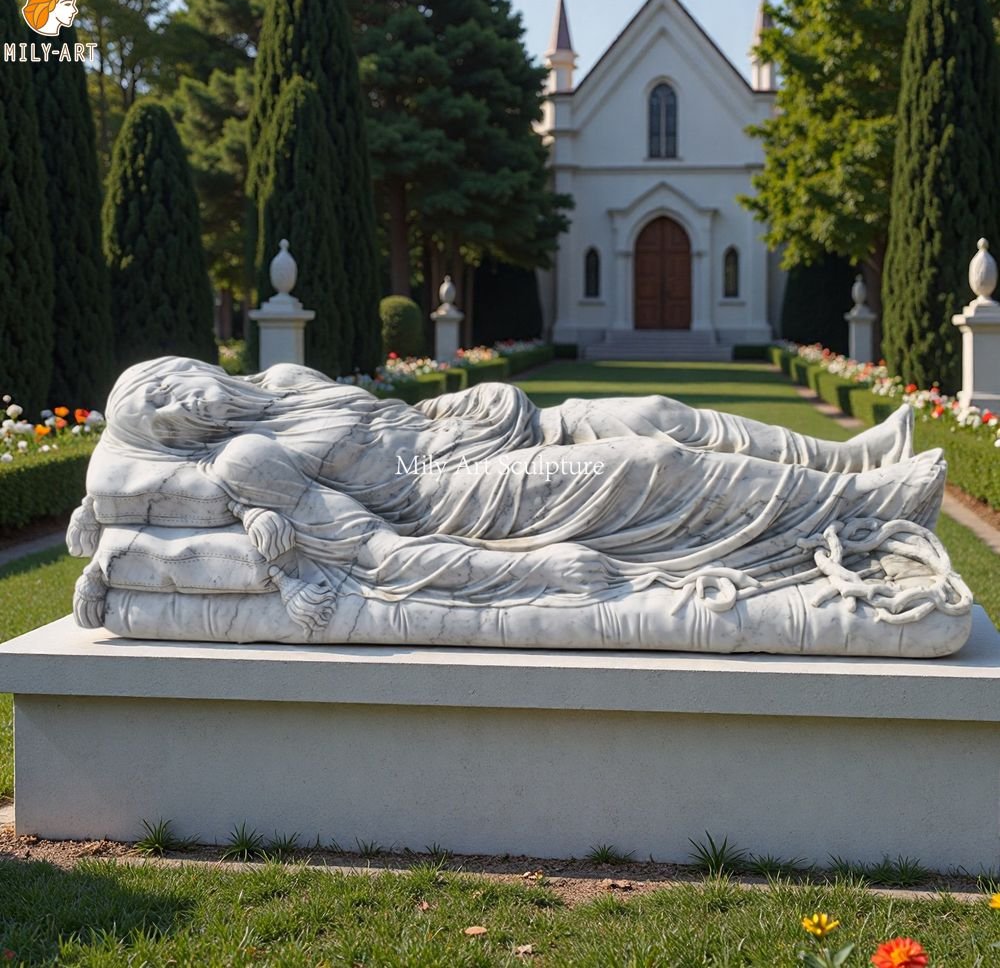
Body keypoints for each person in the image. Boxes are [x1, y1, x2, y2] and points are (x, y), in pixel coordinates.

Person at [67, 356, 971, 656]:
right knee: (652, 461)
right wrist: (533, 567)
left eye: (170, 383)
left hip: (474, 433)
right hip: (451, 499)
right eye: (163, 412)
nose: (185, 400)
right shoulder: (249, 459)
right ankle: (851, 510)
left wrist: (460, 406)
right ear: (170, 440)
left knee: (655, 411)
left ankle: (848, 457)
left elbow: (393, 414)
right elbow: (376, 551)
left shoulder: (280, 380)